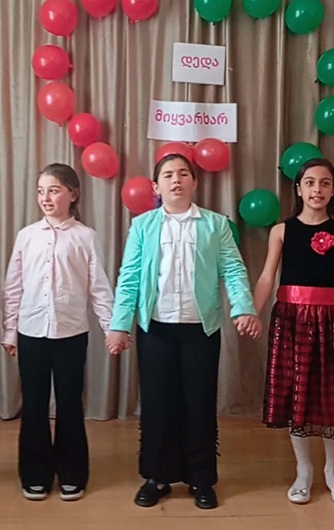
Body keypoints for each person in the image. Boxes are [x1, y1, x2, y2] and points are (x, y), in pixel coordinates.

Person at [106, 153, 261, 510]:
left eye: (182, 174)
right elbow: (129, 278)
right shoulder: (142, 226)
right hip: (155, 330)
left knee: (199, 405)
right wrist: (119, 325)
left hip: (200, 330)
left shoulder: (216, 225)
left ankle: (201, 479)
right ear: (156, 186)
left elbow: (233, 270)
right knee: (157, 405)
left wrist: (243, 308)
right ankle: (156, 477)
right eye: (168, 175)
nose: (176, 180)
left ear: (194, 182)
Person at [253, 158, 334, 506]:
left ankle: (333, 471)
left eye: (325, 183)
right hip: (290, 321)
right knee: (296, 395)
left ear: (333, 190)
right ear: (298, 189)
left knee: (333, 398)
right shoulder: (281, 231)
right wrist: (250, 310)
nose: (317, 189)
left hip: (330, 322)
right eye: (310, 182)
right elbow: (267, 277)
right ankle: (303, 471)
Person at [2, 163, 114, 502]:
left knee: (69, 404)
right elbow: (13, 287)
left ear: (73, 194)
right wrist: (10, 331)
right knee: (34, 405)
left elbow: (98, 287)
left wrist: (112, 327)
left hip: (71, 333)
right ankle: (35, 474)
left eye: (54, 190)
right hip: (31, 332)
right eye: (41, 191)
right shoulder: (27, 236)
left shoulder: (85, 236)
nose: (46, 197)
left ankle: (72, 473)